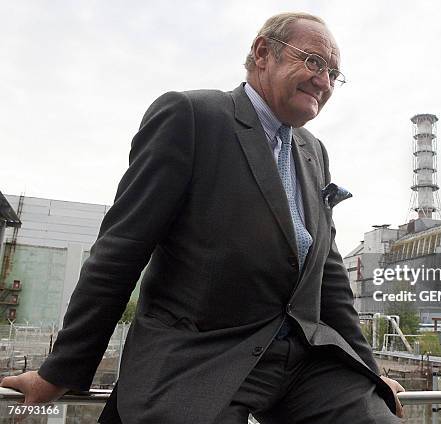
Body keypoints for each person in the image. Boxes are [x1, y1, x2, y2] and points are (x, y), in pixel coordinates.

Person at [1, 12, 405, 423]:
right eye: (314, 61)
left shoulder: (312, 151)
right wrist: (62, 370)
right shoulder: (192, 117)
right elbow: (121, 250)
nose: (325, 81)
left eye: (334, 73)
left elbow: (329, 275)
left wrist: (369, 369)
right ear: (264, 52)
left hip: (301, 361)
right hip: (201, 359)